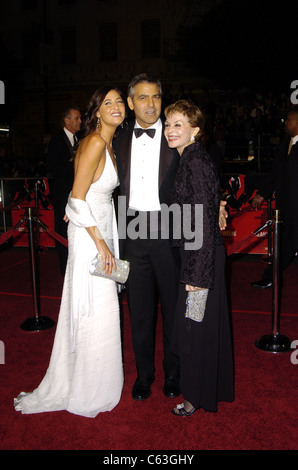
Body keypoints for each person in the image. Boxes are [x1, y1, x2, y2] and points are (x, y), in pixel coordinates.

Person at [114, 74, 228, 402]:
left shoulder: (176, 134)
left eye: (156, 98)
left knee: (175, 309)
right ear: (132, 102)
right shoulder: (117, 139)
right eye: (143, 98)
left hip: (170, 232)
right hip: (132, 232)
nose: (151, 104)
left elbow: (205, 173)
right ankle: (144, 374)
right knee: (139, 310)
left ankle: (174, 372)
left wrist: (217, 203)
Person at [14, 86, 126, 418]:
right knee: (91, 304)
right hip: (92, 233)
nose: (116, 106)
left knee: (102, 304)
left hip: (100, 226)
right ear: (97, 111)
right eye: (108, 103)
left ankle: (96, 378)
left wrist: (100, 231)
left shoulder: (110, 143)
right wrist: (101, 242)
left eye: (120, 101)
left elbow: (84, 192)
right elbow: (78, 198)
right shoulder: (93, 142)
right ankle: (86, 385)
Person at [164, 100, 234, 416]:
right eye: (168, 124)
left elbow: (203, 223)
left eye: (178, 124)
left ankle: (193, 398)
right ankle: (206, 390)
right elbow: (203, 208)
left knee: (193, 327)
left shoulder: (194, 161)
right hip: (198, 258)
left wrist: (196, 274)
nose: (170, 130)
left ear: (195, 130)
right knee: (197, 326)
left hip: (199, 262)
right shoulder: (191, 159)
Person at [251, 106, 298, 289]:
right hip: (286, 209)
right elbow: (276, 173)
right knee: (285, 246)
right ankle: (269, 277)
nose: (285, 123)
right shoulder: (285, 144)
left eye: (289, 120)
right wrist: (263, 193)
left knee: (287, 246)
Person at [47, 106, 82, 275]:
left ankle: (77, 266)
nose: (80, 121)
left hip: (79, 194)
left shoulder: (81, 139)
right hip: (62, 195)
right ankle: (65, 269)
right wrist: (79, 169)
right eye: (76, 118)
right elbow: (55, 168)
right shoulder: (56, 140)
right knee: (62, 231)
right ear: (66, 120)